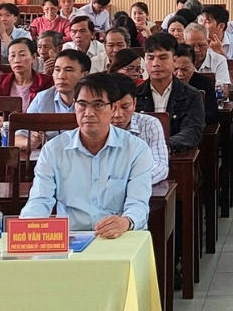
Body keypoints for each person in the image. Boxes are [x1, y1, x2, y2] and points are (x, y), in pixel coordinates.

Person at [22, 75, 153, 236]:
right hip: (71, 239)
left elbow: (138, 203)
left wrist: (126, 222)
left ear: (114, 108)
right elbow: (40, 200)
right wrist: (28, 228)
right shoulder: (54, 150)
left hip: (119, 236)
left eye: (98, 105)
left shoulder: (136, 150)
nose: (88, 113)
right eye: (82, 104)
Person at [133, 34, 207, 154]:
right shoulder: (134, 95)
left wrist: (165, 146)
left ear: (174, 60)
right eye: (150, 58)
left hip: (176, 155)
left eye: (163, 58)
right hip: (140, 155)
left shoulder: (192, 95)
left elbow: (192, 131)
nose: (156, 63)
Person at [107, 73, 169, 185]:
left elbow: (161, 165)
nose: (118, 114)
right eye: (112, 108)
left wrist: (134, 182)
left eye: (125, 107)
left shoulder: (150, 125)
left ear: (134, 103)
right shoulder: (93, 127)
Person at [0, 37, 53, 107]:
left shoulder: (45, 82)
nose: (17, 60)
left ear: (33, 57)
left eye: (22, 55)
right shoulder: (1, 80)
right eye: (13, 55)